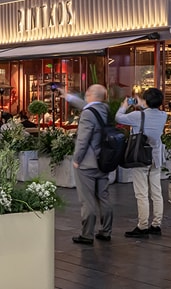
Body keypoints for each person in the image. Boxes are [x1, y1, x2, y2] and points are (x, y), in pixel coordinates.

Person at [65, 85, 117, 245]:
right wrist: (68, 97)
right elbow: (85, 105)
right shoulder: (106, 110)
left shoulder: (88, 114)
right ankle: (106, 231)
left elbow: (83, 139)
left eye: (87, 93)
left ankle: (87, 234)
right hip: (104, 160)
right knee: (104, 196)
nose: (85, 95)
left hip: (87, 162)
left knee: (87, 200)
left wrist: (76, 159)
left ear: (91, 95)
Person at [117, 87, 169, 238]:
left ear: (146, 100)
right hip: (156, 157)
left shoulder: (136, 115)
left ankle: (143, 226)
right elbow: (149, 114)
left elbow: (119, 117)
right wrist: (143, 104)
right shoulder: (163, 115)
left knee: (142, 193)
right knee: (156, 192)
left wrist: (125, 105)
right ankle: (156, 224)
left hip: (140, 157)